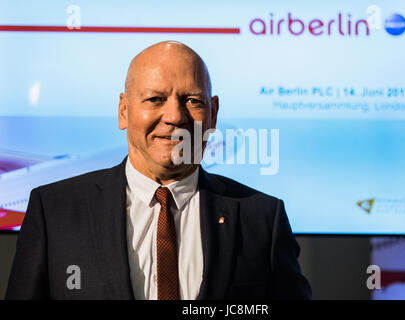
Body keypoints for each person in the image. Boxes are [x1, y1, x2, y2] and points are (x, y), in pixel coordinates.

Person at [6, 41, 311, 300]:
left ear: (213, 113)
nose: (175, 116)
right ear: (124, 110)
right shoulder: (54, 211)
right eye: (155, 99)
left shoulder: (262, 218)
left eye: (192, 100)